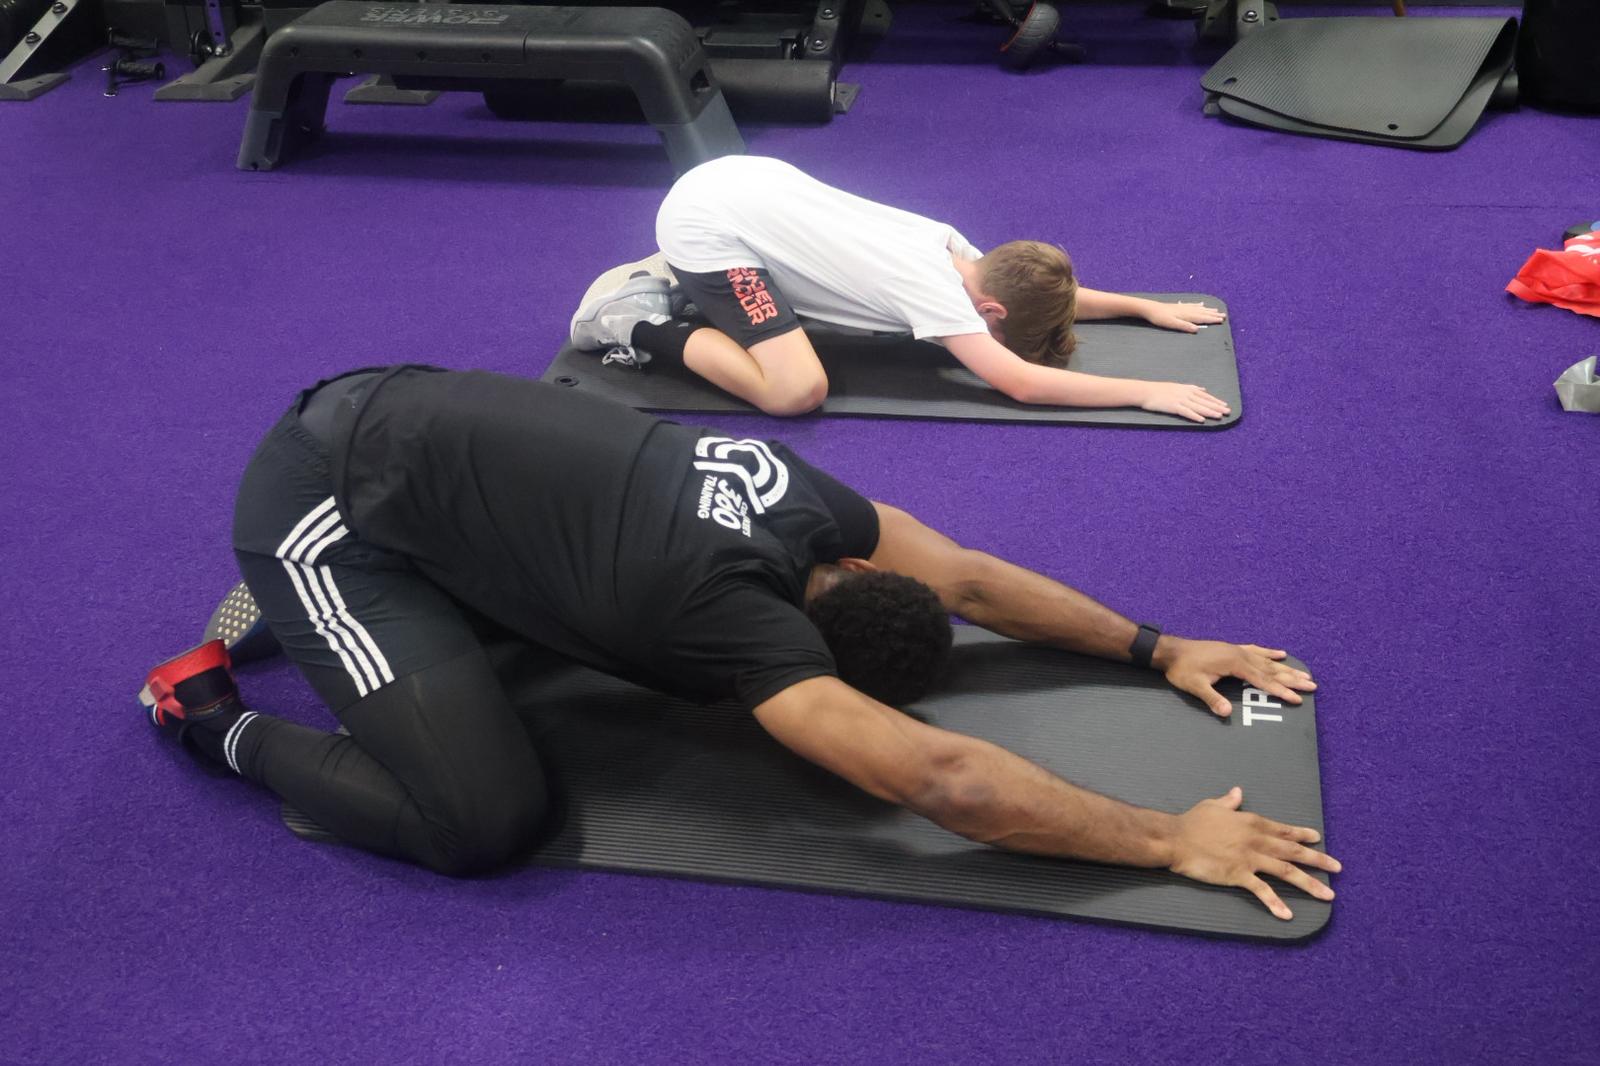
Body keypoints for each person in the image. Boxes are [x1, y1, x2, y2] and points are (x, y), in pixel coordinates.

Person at [143, 366, 1336, 919]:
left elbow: (970, 579)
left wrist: (1156, 645)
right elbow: (943, 778)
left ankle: (397, 586)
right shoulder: (737, 636)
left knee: (552, 647)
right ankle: (211, 715)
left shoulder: (803, 501)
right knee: (480, 820)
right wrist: (1168, 838)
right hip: (330, 495)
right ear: (801, 663)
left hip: (405, 405)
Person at [568, 155, 1230, 422]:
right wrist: (1147, 391)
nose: (987, 336)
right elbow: (1021, 384)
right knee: (796, 391)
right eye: (998, 330)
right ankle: (634, 319)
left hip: (739, 179)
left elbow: (1049, 297)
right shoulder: (935, 291)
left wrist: (1142, 307)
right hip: (707, 228)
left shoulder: (961, 253)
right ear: (989, 309)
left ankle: (694, 280)